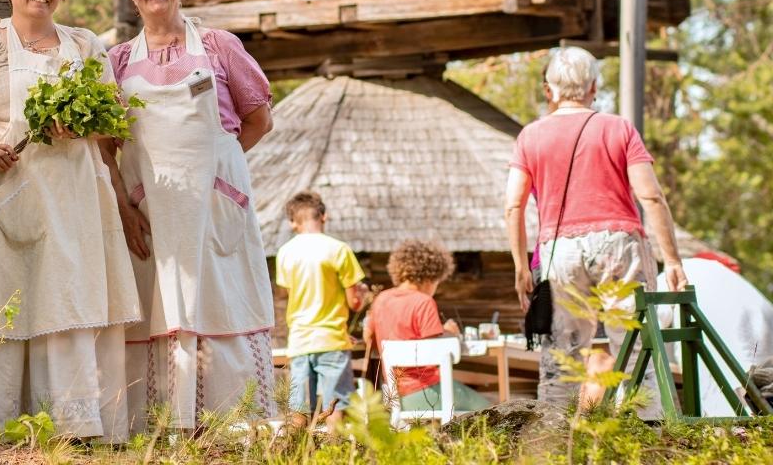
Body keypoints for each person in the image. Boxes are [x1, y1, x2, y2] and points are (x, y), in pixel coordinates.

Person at [0, 0, 140, 441]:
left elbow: (115, 118)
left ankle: (73, 424)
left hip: (75, 195)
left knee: (65, 299)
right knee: (0, 299)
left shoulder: (85, 45)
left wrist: (86, 124)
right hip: (1, 198)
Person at [107, 0, 276, 432]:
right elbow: (105, 145)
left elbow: (260, 118)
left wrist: (219, 174)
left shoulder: (220, 46)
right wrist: (125, 206)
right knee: (158, 302)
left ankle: (233, 423)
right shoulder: (117, 62)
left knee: (221, 296)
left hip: (214, 203)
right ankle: (158, 425)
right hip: (151, 208)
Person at [504, 46, 687, 409]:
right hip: (618, 243)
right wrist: (673, 260)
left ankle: (556, 441)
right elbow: (650, 197)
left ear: (548, 90)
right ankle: (647, 438)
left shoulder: (531, 136)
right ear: (593, 88)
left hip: (559, 250)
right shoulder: (618, 128)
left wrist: (521, 266)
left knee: (562, 354)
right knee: (635, 346)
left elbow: (513, 205)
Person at [275, 191, 369, 432]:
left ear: (292, 222)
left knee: (299, 409)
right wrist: (363, 297)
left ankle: (293, 455)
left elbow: (285, 292)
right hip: (331, 339)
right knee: (334, 406)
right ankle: (335, 455)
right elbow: (354, 303)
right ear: (324, 216)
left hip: (299, 341)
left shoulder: (285, 252)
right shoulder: (339, 249)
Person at [364, 240, 491, 413]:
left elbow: (368, 338)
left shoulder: (381, 300)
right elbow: (434, 351)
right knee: (491, 410)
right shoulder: (423, 302)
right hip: (427, 392)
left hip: (394, 395)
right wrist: (449, 333)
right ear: (430, 276)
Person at [656, 256, 773, 416]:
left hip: (722, 337)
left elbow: (657, 318)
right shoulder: (722, 274)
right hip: (762, 328)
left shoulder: (674, 274)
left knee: (726, 407)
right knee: (757, 399)